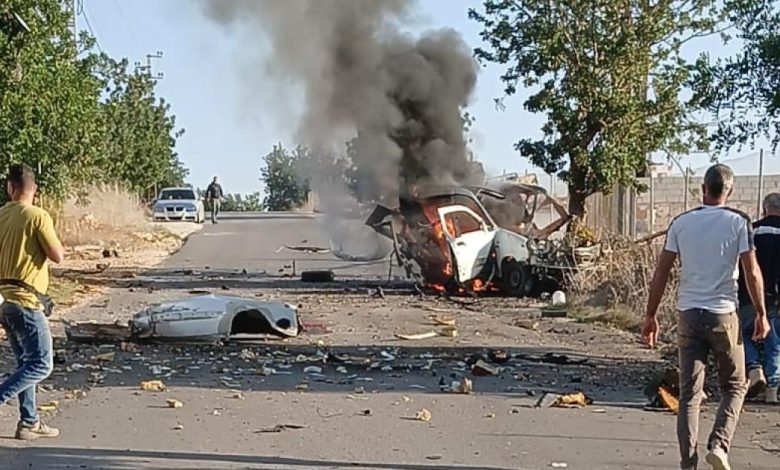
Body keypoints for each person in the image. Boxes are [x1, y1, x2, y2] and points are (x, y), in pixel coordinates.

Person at [643, 164, 770, 470]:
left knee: (689, 395)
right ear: (730, 191)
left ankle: (688, 464)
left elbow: (662, 271)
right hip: (724, 315)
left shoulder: (681, 223)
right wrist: (761, 313)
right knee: (735, 386)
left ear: (703, 189)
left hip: (688, 314)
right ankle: (719, 444)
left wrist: (650, 314)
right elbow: (752, 272)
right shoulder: (739, 222)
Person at [0, 163, 64, 440]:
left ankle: (29, 422)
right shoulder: (38, 216)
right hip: (27, 302)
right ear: (34, 189)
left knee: (25, 364)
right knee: (41, 364)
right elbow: (57, 255)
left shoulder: (1, 215)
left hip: (5, 302)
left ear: (10, 187)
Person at [737, 192, 780, 403]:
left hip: (749, 295)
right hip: (776, 297)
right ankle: (773, 388)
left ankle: (754, 369)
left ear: (764, 210)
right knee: (775, 341)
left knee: (744, 334)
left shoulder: (750, 231)